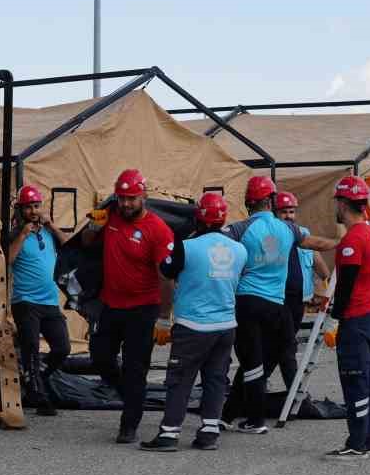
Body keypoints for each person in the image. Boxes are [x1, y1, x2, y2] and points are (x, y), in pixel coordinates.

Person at [141, 193, 247, 452]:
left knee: (179, 380)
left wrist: (164, 319)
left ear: (198, 217)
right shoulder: (240, 249)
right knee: (215, 379)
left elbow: (166, 272)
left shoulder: (186, 247)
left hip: (192, 325)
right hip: (225, 325)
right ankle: (209, 431)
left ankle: (169, 434)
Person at [80, 168, 176, 444]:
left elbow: (166, 277)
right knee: (100, 357)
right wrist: (93, 227)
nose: (125, 204)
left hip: (143, 309)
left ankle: (129, 424)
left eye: (131, 198)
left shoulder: (157, 229)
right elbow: (87, 244)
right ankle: (132, 396)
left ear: (144, 196)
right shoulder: (110, 215)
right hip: (111, 305)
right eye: (121, 198)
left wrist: (164, 318)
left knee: (136, 368)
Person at [217, 176, 304, 435]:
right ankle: (235, 415)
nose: (289, 214)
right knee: (263, 360)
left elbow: (215, 242)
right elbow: (315, 244)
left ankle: (248, 417)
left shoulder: (241, 229)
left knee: (253, 360)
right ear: (272, 202)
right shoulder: (287, 231)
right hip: (279, 305)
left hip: (249, 302)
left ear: (249, 202)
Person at [325, 176, 370, 461]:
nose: (335, 207)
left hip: (357, 319)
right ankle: (368, 438)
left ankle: (357, 442)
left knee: (355, 381)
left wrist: (333, 320)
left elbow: (346, 285)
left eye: (337, 201)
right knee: (369, 381)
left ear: (344, 203)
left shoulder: (352, 239)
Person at [6, 184, 67, 416]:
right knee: (31, 348)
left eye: (36, 206)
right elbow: (8, 259)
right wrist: (22, 234)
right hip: (25, 300)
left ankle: (35, 378)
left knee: (62, 347)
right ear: (20, 210)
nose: (33, 211)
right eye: (28, 207)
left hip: (50, 300)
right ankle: (39, 398)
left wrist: (51, 224)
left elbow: (68, 244)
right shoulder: (14, 233)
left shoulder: (47, 231)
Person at [272, 190, 330, 392]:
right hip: (279, 300)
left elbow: (320, 265)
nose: (289, 216)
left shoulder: (303, 233)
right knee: (286, 346)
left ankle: (254, 388)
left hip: (300, 301)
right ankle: (294, 391)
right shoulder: (271, 236)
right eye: (284, 212)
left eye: (291, 211)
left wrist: (323, 287)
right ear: (274, 213)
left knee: (281, 346)